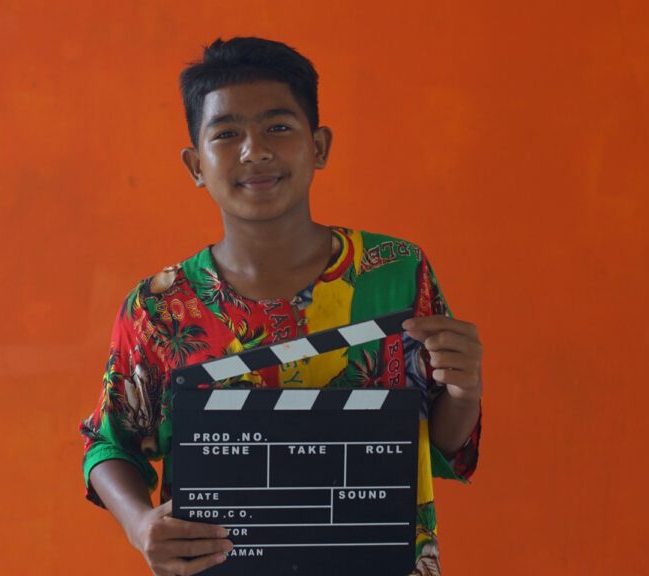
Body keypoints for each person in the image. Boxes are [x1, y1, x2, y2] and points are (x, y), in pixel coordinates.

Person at [80, 37, 483, 576]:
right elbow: (109, 443)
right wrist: (139, 524)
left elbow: (438, 439)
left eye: (278, 127)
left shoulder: (396, 272)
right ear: (195, 164)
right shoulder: (161, 308)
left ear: (319, 146)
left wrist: (465, 389)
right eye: (227, 134)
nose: (255, 151)